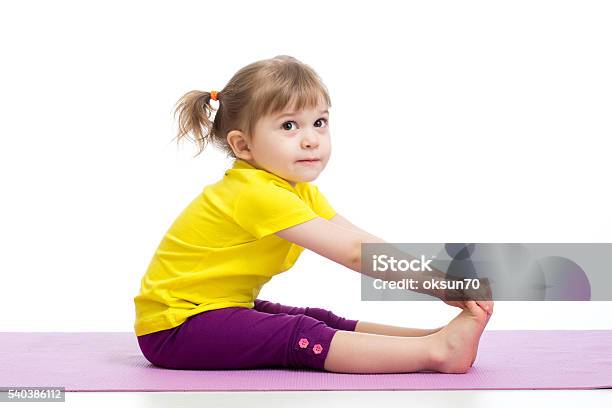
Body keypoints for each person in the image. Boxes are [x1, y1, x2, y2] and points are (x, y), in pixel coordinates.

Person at [133, 55, 494, 374]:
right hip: (176, 328)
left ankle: (428, 337)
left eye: (319, 122)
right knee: (297, 335)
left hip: (214, 309)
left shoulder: (295, 189)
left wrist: (439, 277)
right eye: (289, 126)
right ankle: (435, 352)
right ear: (242, 145)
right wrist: (439, 285)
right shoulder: (254, 193)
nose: (311, 139)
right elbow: (353, 254)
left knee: (310, 318)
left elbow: (361, 240)